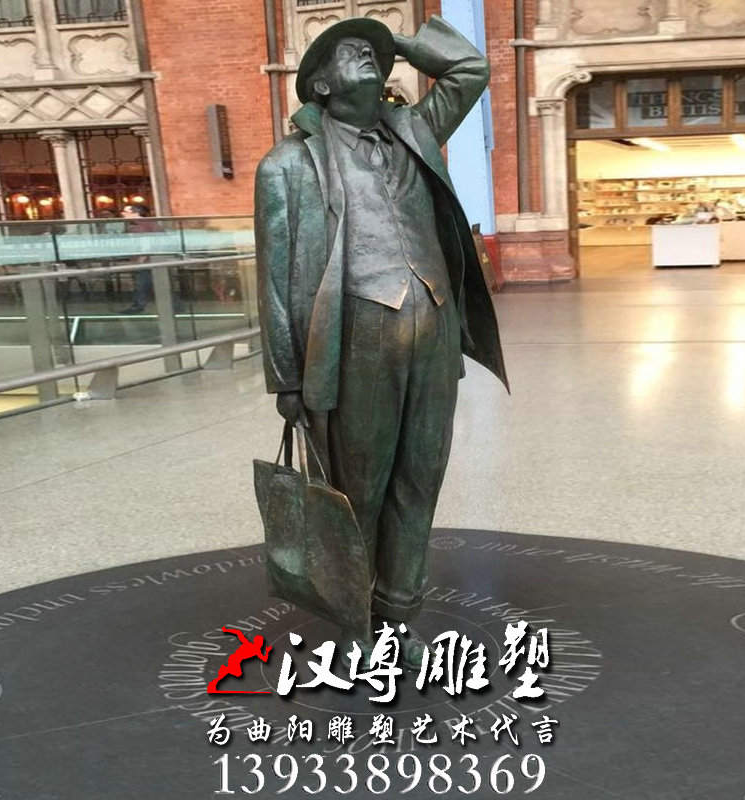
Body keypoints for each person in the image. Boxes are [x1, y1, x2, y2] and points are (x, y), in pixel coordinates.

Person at [255, 15, 508, 668]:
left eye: (373, 52)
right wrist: (287, 378)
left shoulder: (415, 130)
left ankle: (397, 614)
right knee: (357, 494)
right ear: (319, 85)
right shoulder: (286, 166)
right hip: (354, 342)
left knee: (420, 480)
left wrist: (399, 43)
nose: (368, 56)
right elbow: (275, 278)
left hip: (434, 332)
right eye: (350, 52)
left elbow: (470, 70)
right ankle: (355, 620)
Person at [119, 203, 159, 314]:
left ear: (136, 213)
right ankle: (175, 305)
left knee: (142, 283)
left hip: (147, 260)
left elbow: (146, 243)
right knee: (157, 283)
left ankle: (138, 306)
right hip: (153, 259)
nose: (122, 214)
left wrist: (141, 259)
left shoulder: (142, 226)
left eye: (126, 212)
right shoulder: (147, 224)